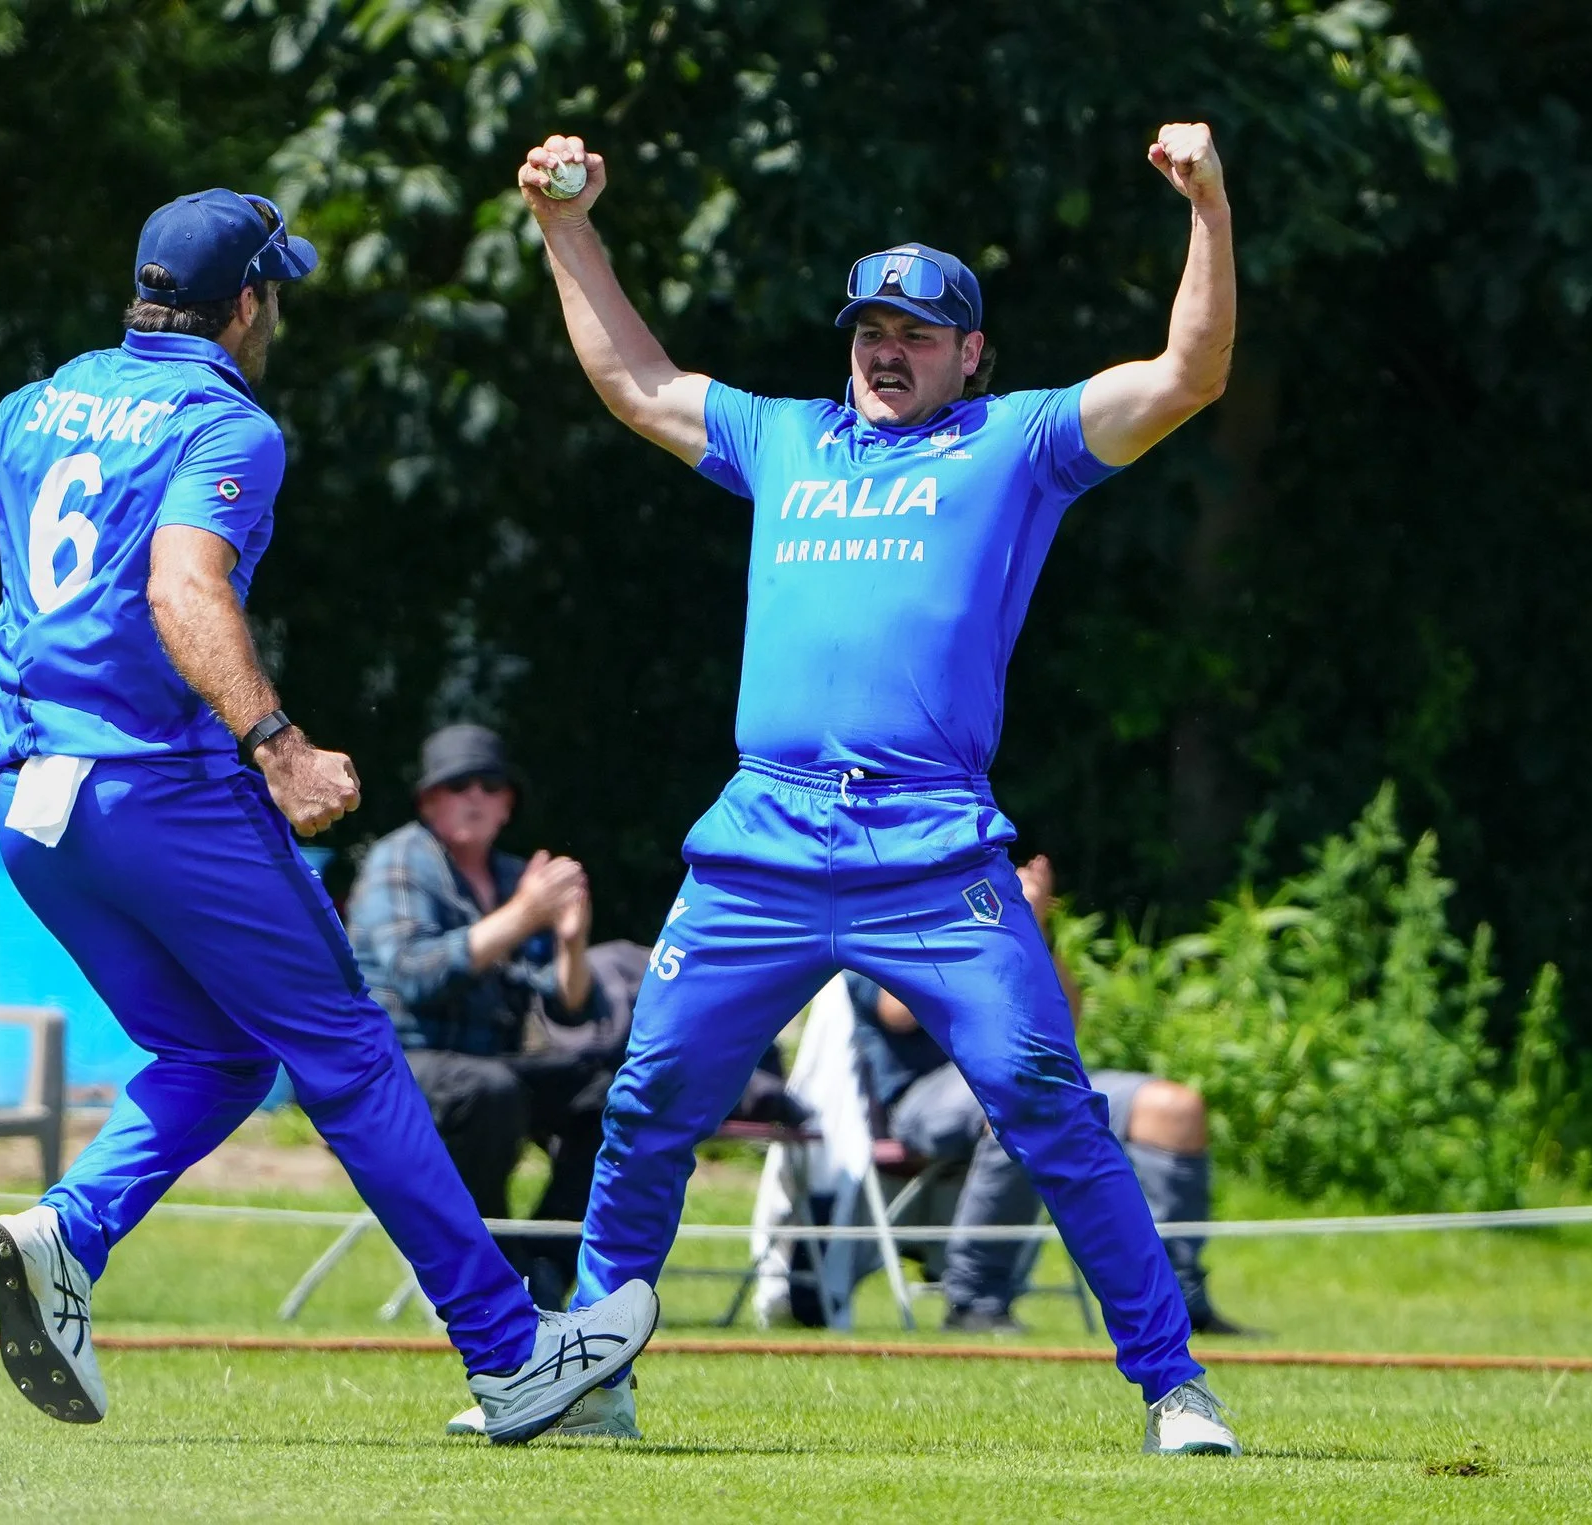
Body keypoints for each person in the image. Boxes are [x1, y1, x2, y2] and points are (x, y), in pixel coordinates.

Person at [0, 186, 653, 1444]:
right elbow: (180, 583)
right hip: (164, 794)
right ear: (249, 302)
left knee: (218, 1054)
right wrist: (278, 743)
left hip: (35, 810)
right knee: (349, 1053)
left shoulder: (31, 405)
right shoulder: (229, 426)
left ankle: (66, 1232)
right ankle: (507, 1350)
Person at [514, 122, 1242, 1454]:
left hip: (931, 848)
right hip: (761, 842)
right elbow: (638, 382)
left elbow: (1190, 373)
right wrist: (569, 229)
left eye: (915, 329)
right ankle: (593, 1370)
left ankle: (1176, 1387)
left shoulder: (1016, 442)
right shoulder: (784, 439)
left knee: (1048, 1104)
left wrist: (1205, 202)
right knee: (647, 1106)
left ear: (972, 353)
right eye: (868, 327)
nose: (884, 348)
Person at [844, 855, 1240, 1336]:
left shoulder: (998, 918)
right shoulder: (877, 913)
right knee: (1023, 1102)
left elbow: (1066, 1021)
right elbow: (899, 1012)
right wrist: (975, 927)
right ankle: (975, 1299)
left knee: (1175, 1110)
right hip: (921, 1098)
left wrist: (1028, 928)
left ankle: (1180, 1301)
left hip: (1021, 1079)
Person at [349, 723, 613, 1305]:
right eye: (457, 784)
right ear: (428, 801)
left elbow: (570, 1010)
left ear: (508, 803)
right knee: (490, 1091)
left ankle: (542, 1265)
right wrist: (522, 917)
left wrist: (571, 941)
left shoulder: (517, 879)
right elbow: (414, 974)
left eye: (489, 784)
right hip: (397, 1069)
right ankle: (490, 1271)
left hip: (488, 1068)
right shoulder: (400, 860)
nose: (475, 796)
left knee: (609, 1094)